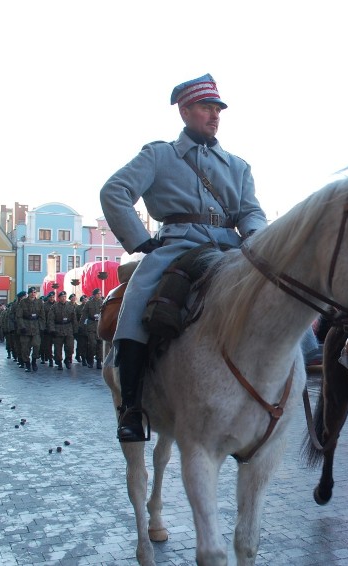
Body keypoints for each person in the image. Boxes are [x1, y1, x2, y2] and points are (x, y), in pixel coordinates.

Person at [100, 73, 267, 442]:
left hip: (229, 248)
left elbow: (251, 212)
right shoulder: (159, 156)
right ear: (185, 111)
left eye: (218, 109)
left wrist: (257, 239)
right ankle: (131, 407)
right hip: (176, 245)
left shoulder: (238, 166)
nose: (215, 115)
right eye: (206, 107)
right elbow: (115, 191)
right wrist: (142, 241)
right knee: (136, 301)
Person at [15, 288, 45, 372]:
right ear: (28, 294)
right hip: (26, 326)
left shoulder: (39, 302)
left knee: (36, 345)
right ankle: (27, 363)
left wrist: (42, 327)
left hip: (36, 327)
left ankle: (34, 361)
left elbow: (42, 316)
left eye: (34, 292)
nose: (33, 294)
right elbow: (19, 316)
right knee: (25, 348)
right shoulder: (23, 302)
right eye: (31, 292)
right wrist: (22, 327)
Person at [48, 291, 78, 370]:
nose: (64, 298)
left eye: (65, 296)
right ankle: (59, 362)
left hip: (68, 328)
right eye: (62, 297)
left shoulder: (70, 306)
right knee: (58, 349)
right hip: (58, 328)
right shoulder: (54, 307)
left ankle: (67, 360)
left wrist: (75, 330)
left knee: (70, 347)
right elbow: (50, 319)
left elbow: (74, 319)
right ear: (59, 298)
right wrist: (52, 330)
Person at [80, 289, 103, 370]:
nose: (99, 295)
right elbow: (84, 315)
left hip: (100, 325)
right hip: (91, 325)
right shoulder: (89, 303)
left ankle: (99, 361)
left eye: (100, 294)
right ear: (94, 294)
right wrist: (82, 326)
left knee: (100, 344)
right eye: (97, 294)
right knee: (92, 344)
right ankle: (90, 360)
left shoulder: (102, 302)